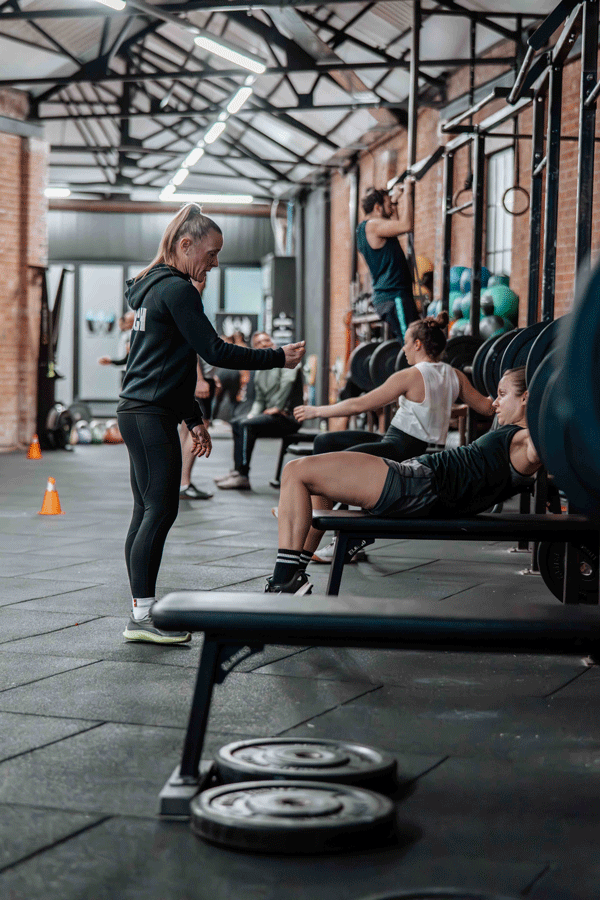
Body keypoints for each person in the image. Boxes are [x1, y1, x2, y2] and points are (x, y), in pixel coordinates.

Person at [116, 203, 305, 643]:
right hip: (147, 413)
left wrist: (194, 419)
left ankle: (140, 610)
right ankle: (141, 617)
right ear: (186, 245)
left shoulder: (153, 287)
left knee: (146, 510)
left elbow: (174, 362)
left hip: (141, 410)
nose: (215, 262)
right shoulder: (177, 289)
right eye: (212, 252)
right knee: (159, 510)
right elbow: (216, 352)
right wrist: (277, 356)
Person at [265, 367, 540, 594]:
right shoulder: (516, 435)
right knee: (312, 479)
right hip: (413, 479)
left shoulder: (526, 441)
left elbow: (546, 441)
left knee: (295, 472)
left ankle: (285, 578)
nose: (494, 402)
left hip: (413, 485)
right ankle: (293, 573)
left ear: (526, 397)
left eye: (503, 394)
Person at [292, 312, 494, 562]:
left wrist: (317, 410)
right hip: (415, 448)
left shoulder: (410, 375)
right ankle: (325, 523)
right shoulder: (455, 375)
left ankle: (323, 533)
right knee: (326, 443)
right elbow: (487, 407)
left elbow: (360, 404)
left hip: (399, 448)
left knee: (331, 467)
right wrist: (507, 393)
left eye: (407, 343)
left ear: (418, 344)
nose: (404, 349)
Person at [215, 331, 303, 490]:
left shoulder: (286, 359)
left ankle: (243, 475)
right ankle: (236, 472)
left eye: (266, 340)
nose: (263, 344)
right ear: (255, 347)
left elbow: (288, 382)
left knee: (246, 426)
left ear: (272, 341)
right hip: (272, 415)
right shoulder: (261, 369)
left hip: (288, 416)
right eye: (259, 343)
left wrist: (278, 406)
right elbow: (260, 399)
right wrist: (251, 416)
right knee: (238, 423)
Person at [357, 180, 419, 340]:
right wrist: (408, 193)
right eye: (388, 204)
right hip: (394, 296)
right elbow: (406, 226)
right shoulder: (373, 226)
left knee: (411, 343)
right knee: (412, 343)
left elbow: (397, 227)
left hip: (390, 297)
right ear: (377, 208)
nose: (391, 208)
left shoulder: (364, 229)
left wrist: (395, 201)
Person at [98, 311, 135, 385]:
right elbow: (125, 359)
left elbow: (126, 359)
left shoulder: (132, 336)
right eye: (126, 321)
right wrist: (111, 361)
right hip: (126, 371)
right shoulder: (126, 336)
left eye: (130, 322)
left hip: (133, 373)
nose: (126, 324)